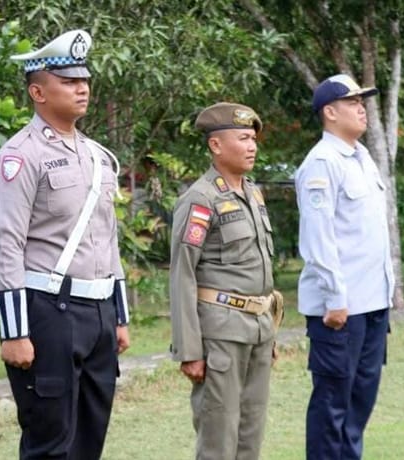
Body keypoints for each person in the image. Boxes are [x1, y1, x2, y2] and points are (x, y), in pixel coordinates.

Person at [0, 29, 130, 459]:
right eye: (68, 81)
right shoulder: (19, 157)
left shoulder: (97, 156)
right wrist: (14, 331)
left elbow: (107, 236)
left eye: (83, 80)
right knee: (50, 441)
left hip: (98, 311)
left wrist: (118, 315)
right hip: (48, 311)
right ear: (37, 92)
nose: (81, 88)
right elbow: (6, 244)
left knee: (90, 437)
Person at [169, 102, 281, 460]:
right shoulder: (200, 199)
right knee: (218, 439)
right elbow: (182, 273)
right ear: (216, 146)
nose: (252, 146)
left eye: (253, 139)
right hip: (220, 336)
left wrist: (270, 330)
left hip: (258, 329)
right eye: (243, 138)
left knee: (250, 436)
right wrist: (189, 351)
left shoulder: (252, 193)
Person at [296, 74, 394, 459]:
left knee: (358, 406)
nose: (361, 108)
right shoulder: (321, 163)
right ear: (330, 112)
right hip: (341, 310)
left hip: (372, 304)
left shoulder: (362, 157)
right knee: (332, 406)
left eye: (362, 101)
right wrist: (336, 300)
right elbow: (319, 241)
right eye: (353, 101)